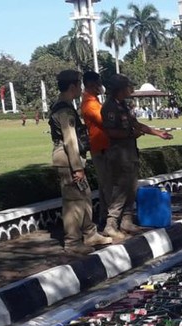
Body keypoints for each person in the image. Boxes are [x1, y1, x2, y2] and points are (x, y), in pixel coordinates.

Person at [101, 73, 173, 238]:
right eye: (128, 86)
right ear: (120, 89)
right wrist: (131, 134)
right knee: (120, 190)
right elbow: (110, 131)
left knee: (131, 189)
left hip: (129, 154)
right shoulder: (110, 107)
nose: (131, 89)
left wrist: (158, 133)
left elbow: (137, 124)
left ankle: (126, 221)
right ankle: (110, 224)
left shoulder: (123, 106)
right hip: (119, 155)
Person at [49, 69, 112, 254]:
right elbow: (70, 141)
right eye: (79, 84)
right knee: (73, 203)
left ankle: (90, 233)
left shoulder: (63, 106)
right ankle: (72, 242)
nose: (81, 88)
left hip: (72, 160)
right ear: (72, 86)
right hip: (69, 161)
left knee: (84, 198)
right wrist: (77, 168)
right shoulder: (64, 110)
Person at [80, 70, 114, 238]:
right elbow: (106, 121)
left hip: (102, 146)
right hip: (100, 147)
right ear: (92, 84)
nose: (101, 86)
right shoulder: (90, 103)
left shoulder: (93, 101)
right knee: (107, 185)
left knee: (104, 185)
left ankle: (104, 216)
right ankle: (110, 221)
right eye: (99, 83)